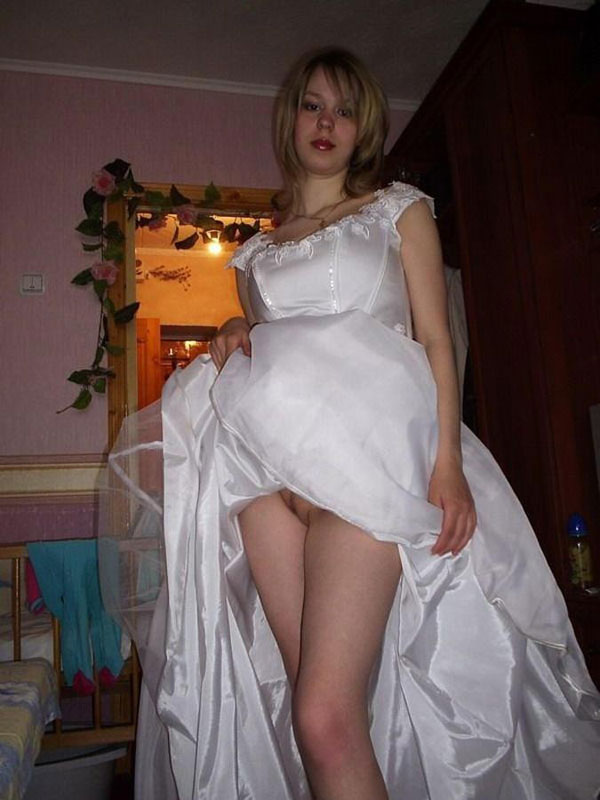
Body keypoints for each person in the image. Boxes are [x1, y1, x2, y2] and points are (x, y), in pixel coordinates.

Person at [103, 48, 600, 800]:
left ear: (364, 127)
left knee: (322, 717)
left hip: (365, 473)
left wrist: (446, 461)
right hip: (264, 482)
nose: (327, 122)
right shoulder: (254, 253)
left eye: (344, 110)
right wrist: (237, 327)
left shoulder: (398, 210)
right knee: (320, 710)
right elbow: (278, 345)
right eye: (313, 105)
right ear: (291, 118)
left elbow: (437, 339)